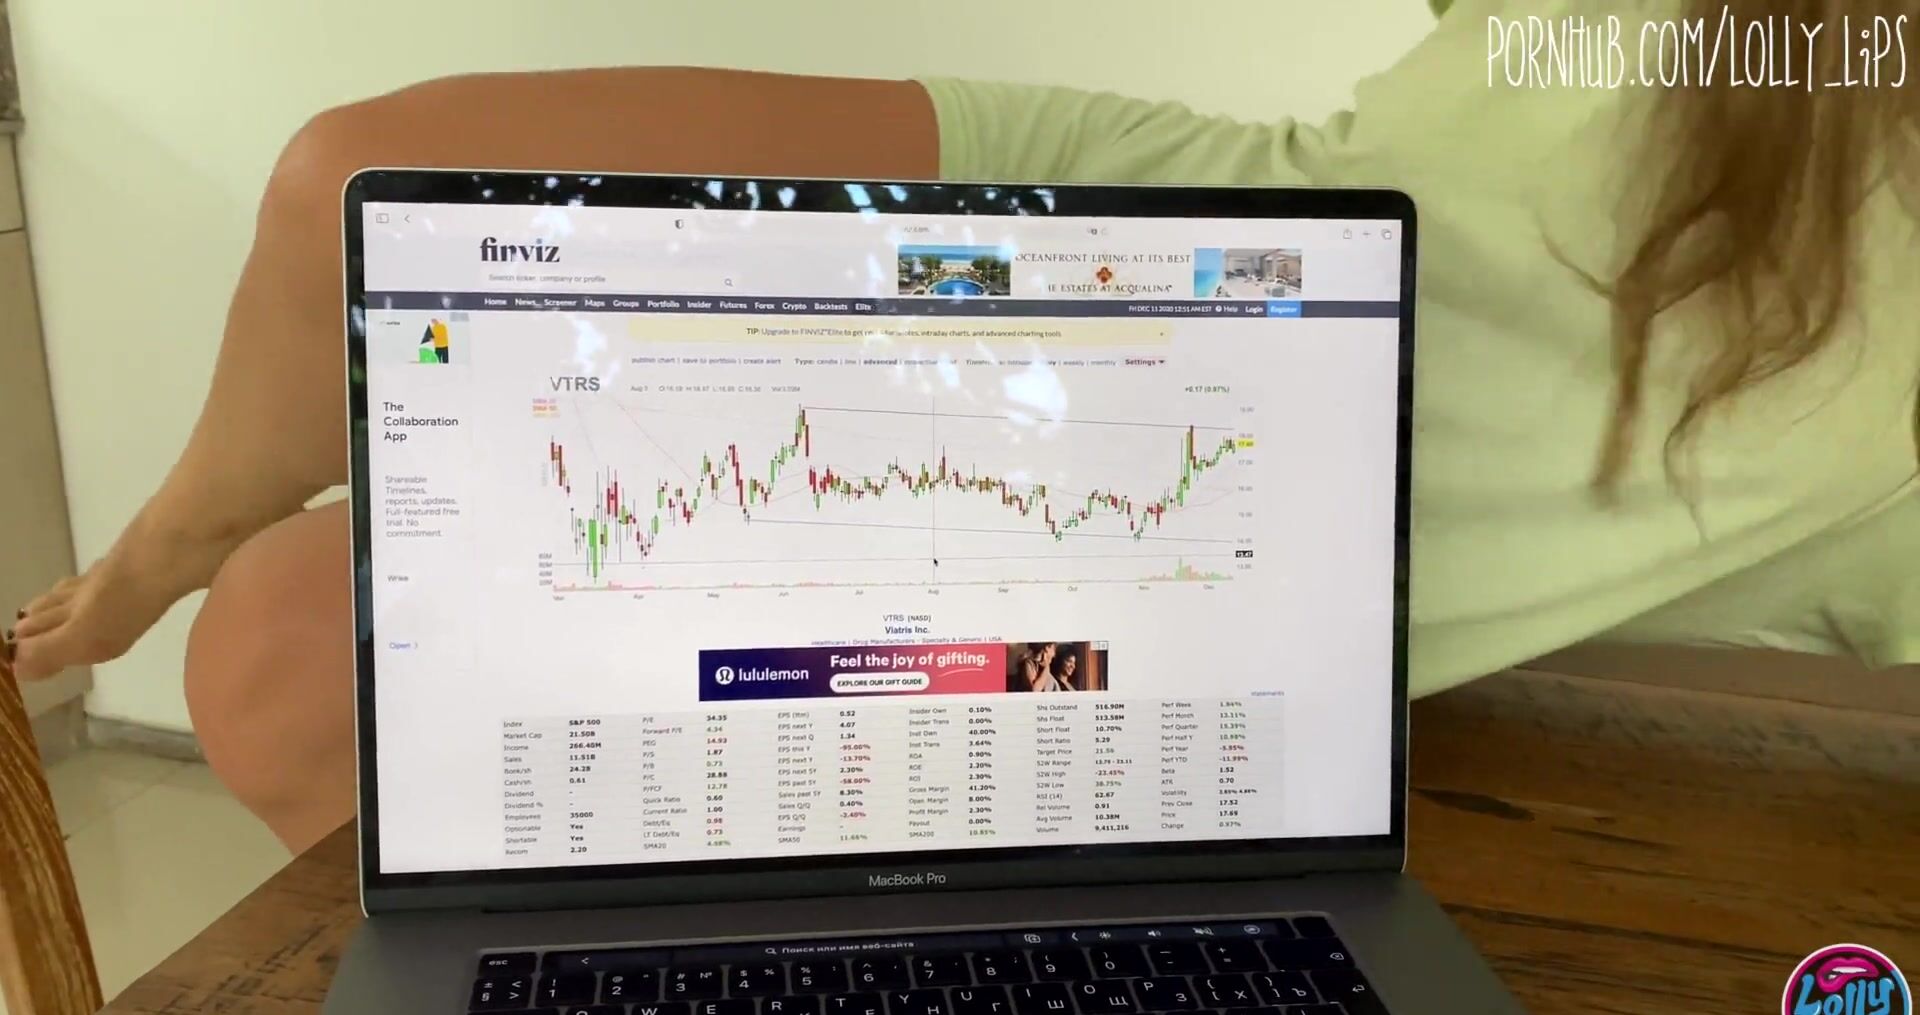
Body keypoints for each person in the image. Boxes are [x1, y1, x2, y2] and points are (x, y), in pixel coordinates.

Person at [6, 0, 1916, 851]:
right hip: (1210, 247)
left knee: (280, 649)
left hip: (1209, 535)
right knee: (341, 227)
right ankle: (181, 539)